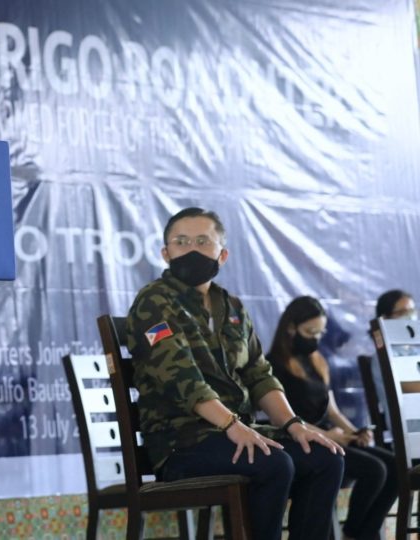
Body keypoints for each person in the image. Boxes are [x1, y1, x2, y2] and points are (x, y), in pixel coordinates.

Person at [125, 207, 345, 540]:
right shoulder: (154, 301)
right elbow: (183, 380)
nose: (192, 249)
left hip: (236, 432)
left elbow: (259, 374)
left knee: (324, 458)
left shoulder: (233, 308)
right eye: (181, 242)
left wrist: (294, 425)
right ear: (165, 253)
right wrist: (232, 425)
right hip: (181, 442)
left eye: (203, 241)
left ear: (222, 254)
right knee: (273, 463)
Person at [268, 296, 397, 540]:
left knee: (394, 466)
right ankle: (353, 533)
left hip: (328, 434)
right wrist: (329, 435)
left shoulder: (317, 360)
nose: (316, 338)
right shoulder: (274, 365)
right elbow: (282, 419)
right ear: (291, 328)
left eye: (320, 333)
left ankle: (362, 533)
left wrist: (354, 432)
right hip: (301, 439)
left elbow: (332, 410)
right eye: (310, 332)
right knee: (375, 470)